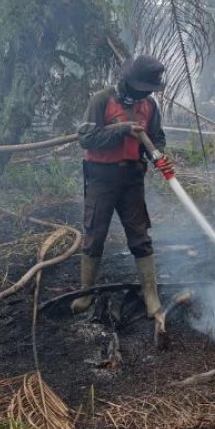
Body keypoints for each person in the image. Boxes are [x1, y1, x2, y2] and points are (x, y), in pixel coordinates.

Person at [72, 55, 172, 320]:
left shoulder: (149, 105)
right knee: (95, 233)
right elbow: (87, 139)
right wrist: (121, 130)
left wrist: (157, 153)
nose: (146, 93)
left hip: (132, 178)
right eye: (143, 87)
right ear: (128, 82)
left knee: (140, 236)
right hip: (101, 176)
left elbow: (156, 137)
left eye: (150, 89)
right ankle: (85, 292)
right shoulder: (102, 100)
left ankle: (150, 295)